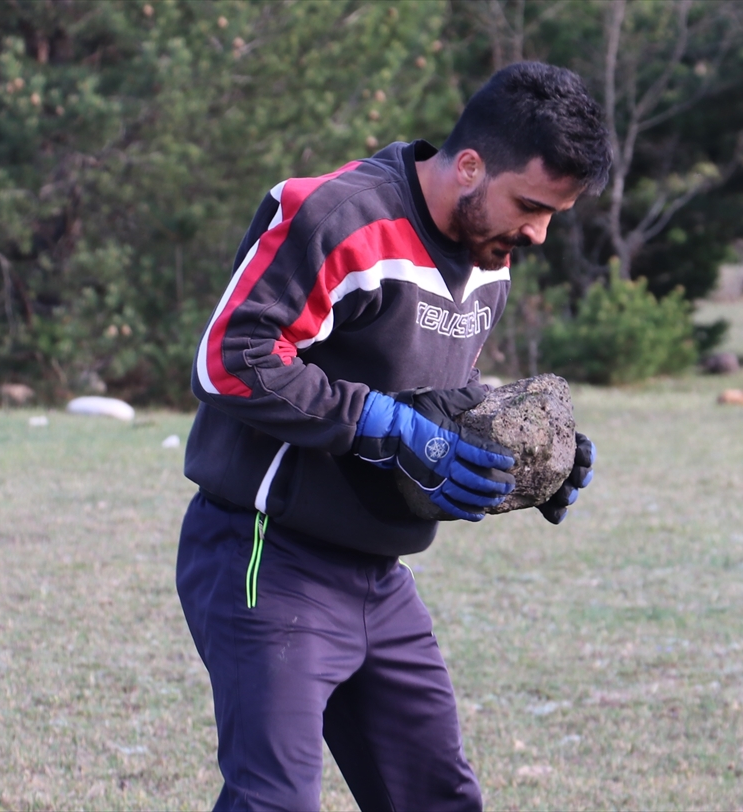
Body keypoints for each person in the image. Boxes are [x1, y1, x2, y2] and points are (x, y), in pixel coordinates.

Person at [176, 61, 610, 812]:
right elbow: (230, 358)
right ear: (470, 165)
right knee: (273, 803)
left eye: (554, 215)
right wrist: (376, 422)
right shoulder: (334, 216)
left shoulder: (488, 258)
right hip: (269, 557)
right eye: (532, 205)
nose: (539, 231)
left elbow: (440, 398)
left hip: (381, 574)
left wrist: (528, 460)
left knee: (437, 800)